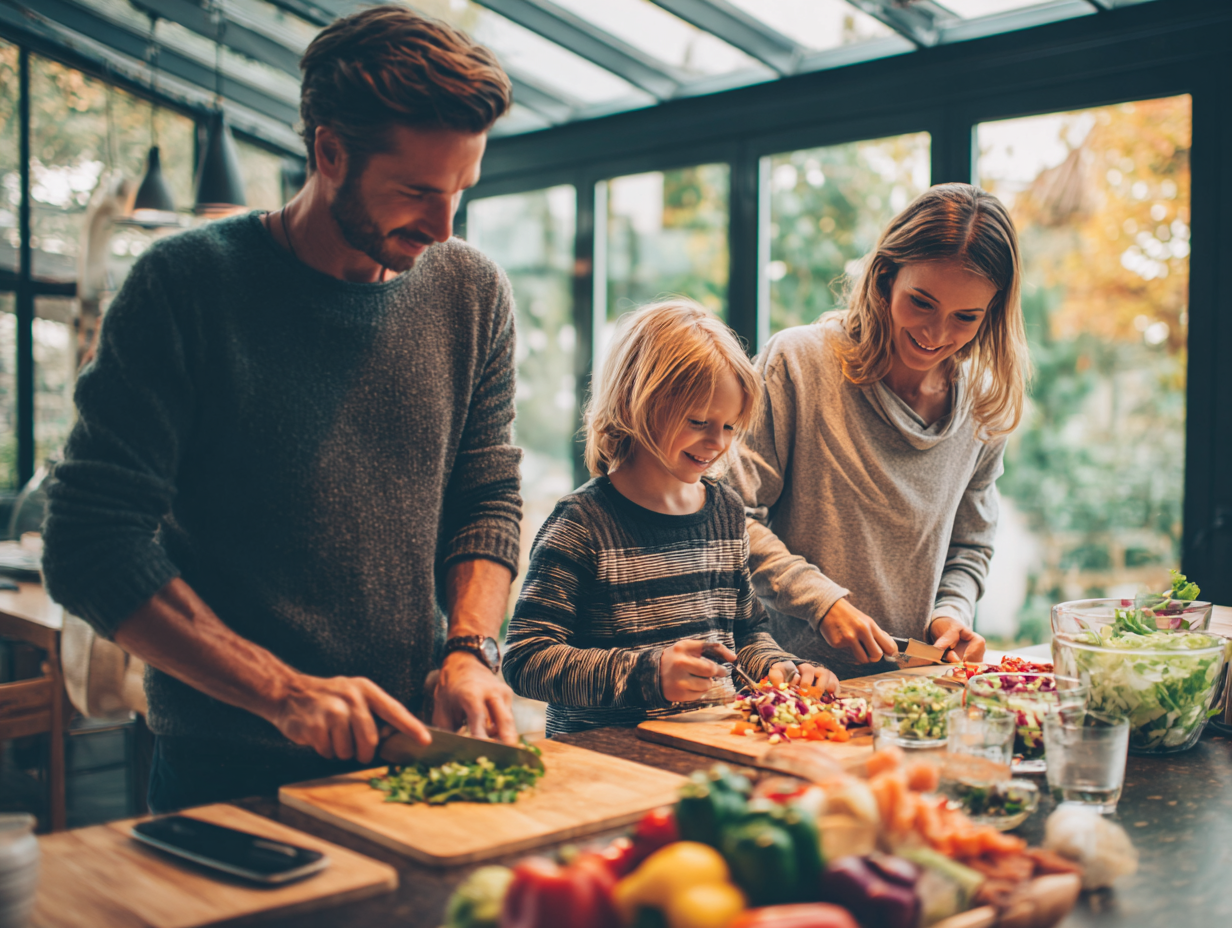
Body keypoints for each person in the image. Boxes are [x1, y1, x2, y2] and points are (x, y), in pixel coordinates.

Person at [42, 6, 524, 812]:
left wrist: (471, 649)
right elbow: (89, 543)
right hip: (223, 769)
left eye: (460, 193)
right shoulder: (184, 288)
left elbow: (485, 493)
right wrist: (284, 692)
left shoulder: (471, 294)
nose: (443, 228)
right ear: (329, 151)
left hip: (407, 764)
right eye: (416, 192)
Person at [729, 183, 1029, 680]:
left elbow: (970, 545)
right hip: (787, 684)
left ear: (992, 313)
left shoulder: (982, 405)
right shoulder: (798, 362)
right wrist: (820, 602)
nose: (936, 335)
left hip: (911, 687)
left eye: (966, 317)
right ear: (885, 277)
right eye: (922, 303)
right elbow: (731, 516)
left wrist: (952, 611)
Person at [503, 300, 833, 735]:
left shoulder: (727, 510)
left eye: (731, 426)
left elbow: (746, 631)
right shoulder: (582, 524)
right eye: (698, 421)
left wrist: (782, 668)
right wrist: (649, 673)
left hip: (710, 754)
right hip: (606, 763)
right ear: (636, 402)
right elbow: (527, 658)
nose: (717, 442)